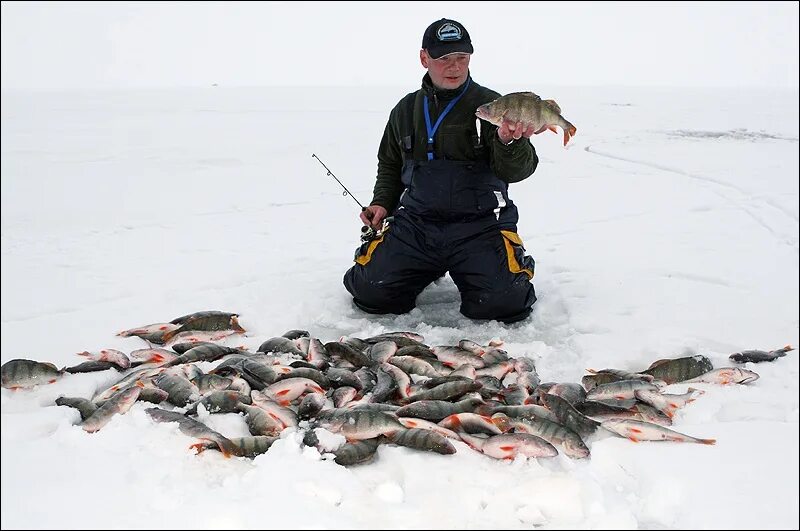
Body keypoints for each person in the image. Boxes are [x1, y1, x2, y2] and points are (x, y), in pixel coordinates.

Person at [343, 18, 541, 324]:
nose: (455, 67)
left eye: (462, 58)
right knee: (371, 292)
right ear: (424, 58)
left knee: (505, 304)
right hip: (417, 225)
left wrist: (508, 142)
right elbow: (391, 164)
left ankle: (503, 261)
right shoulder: (406, 110)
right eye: (444, 58)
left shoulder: (493, 106)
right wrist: (382, 202)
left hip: (479, 225)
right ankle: (421, 265)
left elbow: (518, 170)